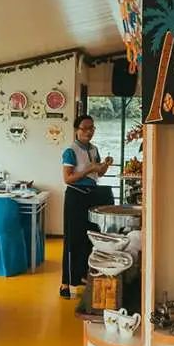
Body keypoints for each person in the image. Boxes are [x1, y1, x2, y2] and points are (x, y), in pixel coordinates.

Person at [60, 115, 113, 298]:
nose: (89, 132)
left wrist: (104, 165)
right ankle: (65, 282)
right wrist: (89, 169)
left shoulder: (94, 149)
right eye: (85, 128)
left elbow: (98, 174)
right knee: (72, 238)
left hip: (93, 195)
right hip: (75, 196)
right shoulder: (70, 150)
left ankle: (83, 274)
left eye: (92, 128)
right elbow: (67, 178)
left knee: (90, 238)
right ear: (77, 129)